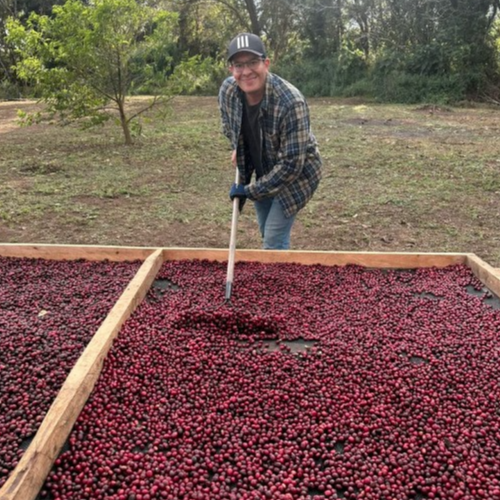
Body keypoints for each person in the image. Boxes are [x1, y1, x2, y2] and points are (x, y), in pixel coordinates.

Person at [218, 32, 322, 250]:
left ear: (266, 63)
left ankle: (276, 269)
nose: (246, 71)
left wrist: (248, 191)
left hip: (296, 176)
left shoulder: (291, 102)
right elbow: (229, 125)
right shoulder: (228, 91)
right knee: (267, 231)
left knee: (274, 240)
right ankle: (276, 266)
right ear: (231, 69)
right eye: (239, 65)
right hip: (263, 169)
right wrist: (237, 146)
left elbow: (291, 166)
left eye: (252, 62)